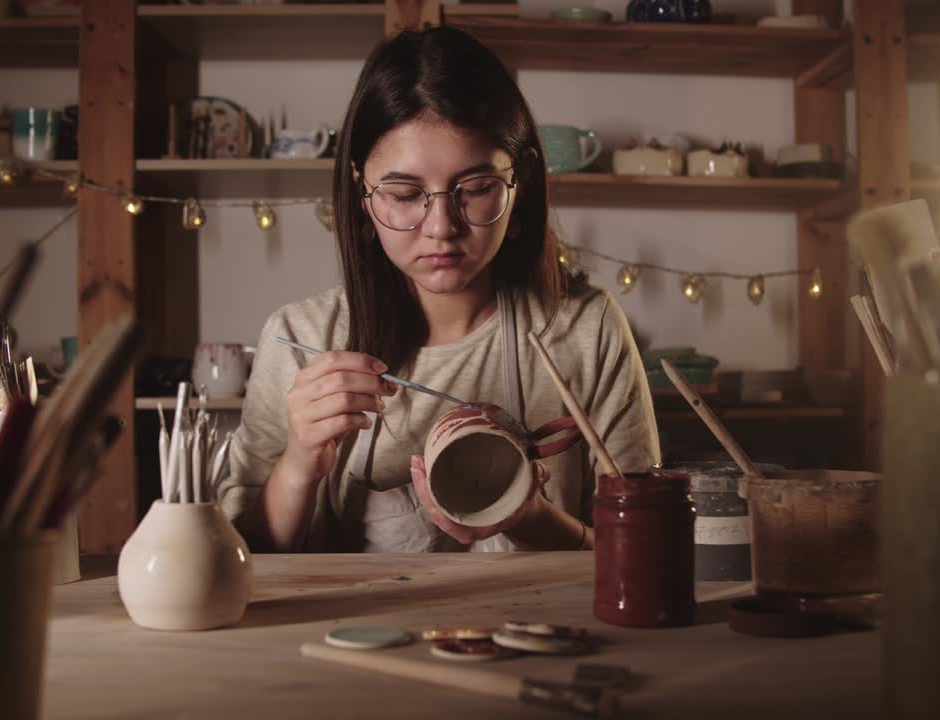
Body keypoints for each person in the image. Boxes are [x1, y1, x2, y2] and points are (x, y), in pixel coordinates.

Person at [216, 26, 660, 553]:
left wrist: (530, 517)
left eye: (475, 190)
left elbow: (646, 551)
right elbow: (236, 558)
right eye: (405, 194)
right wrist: (298, 466)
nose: (440, 226)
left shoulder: (585, 331)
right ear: (362, 193)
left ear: (521, 183)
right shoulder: (300, 338)